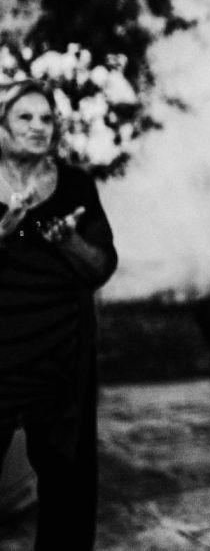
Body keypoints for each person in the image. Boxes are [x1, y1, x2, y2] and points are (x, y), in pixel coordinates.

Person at [0, 81, 116, 551]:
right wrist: (3, 231)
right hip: (1, 348)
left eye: (46, 118)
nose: (38, 127)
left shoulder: (74, 185)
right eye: (25, 117)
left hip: (60, 348)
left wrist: (70, 242)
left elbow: (101, 266)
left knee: (67, 476)